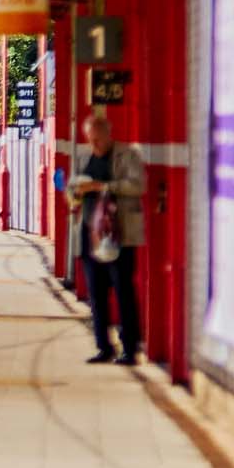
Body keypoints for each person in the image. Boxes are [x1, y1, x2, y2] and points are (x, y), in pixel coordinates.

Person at [68, 112, 147, 365]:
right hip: (90, 235)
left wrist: (103, 187)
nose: (95, 145)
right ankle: (103, 346)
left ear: (108, 135)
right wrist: (75, 194)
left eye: (98, 140)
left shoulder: (127, 155)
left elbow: (138, 185)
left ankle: (129, 348)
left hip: (119, 235)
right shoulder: (83, 157)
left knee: (124, 291)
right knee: (96, 294)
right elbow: (71, 190)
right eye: (90, 140)